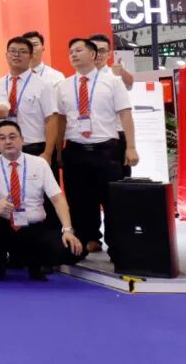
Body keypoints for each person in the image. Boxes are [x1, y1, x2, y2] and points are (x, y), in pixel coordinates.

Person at [0, 121, 83, 282]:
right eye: (2, 138)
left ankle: (33, 262)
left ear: (22, 139)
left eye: (12, 137)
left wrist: (67, 230)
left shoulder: (39, 164)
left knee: (71, 251)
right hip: (5, 226)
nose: (8, 141)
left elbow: (57, 198)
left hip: (33, 227)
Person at [56, 38, 138, 255]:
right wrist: (58, 149)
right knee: (79, 200)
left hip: (106, 150)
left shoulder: (112, 82)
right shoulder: (64, 86)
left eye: (79, 50)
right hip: (75, 149)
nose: (73, 55)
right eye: (71, 51)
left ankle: (117, 246)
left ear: (93, 55)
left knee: (112, 200)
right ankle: (86, 240)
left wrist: (131, 147)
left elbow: (125, 114)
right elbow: (61, 120)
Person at [0, 37, 59, 167]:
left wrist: (48, 153)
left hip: (34, 147)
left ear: (31, 56)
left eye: (22, 51)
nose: (17, 55)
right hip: (5, 148)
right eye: (13, 51)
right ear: (6, 55)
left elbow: (52, 120)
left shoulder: (43, 84)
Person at [91, 33, 136, 177]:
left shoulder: (114, 74)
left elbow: (130, 82)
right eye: (94, 50)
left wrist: (121, 71)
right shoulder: (80, 78)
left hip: (115, 137)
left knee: (118, 181)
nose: (98, 54)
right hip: (91, 137)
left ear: (109, 53)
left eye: (102, 50)